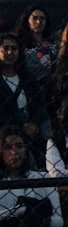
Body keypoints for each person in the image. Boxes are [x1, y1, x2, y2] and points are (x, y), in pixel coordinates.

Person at [0, 32, 48, 169]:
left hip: (31, 132)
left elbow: (39, 104)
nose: (10, 52)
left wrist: (34, 123)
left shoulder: (27, 77)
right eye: (6, 48)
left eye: (14, 49)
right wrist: (19, 127)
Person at [14, 7, 55, 83]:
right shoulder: (19, 44)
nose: (39, 22)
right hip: (30, 84)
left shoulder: (54, 44)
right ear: (27, 21)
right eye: (34, 18)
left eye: (42, 18)